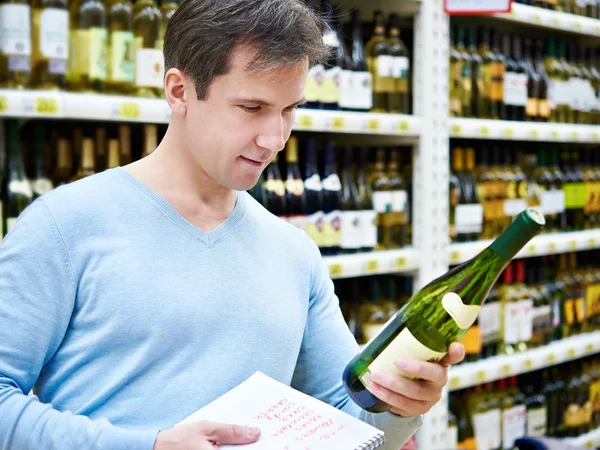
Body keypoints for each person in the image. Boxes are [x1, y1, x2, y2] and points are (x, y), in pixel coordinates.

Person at [0, 1, 464, 449]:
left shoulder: (294, 252)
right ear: (179, 91)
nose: (275, 139)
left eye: (288, 110)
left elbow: (346, 417)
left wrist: (398, 404)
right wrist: (148, 445)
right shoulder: (63, 226)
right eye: (251, 108)